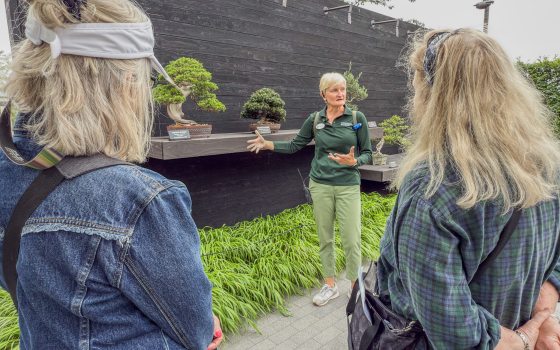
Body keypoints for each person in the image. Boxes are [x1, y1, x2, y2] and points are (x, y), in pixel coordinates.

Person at [0, 0, 222, 349]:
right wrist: (209, 322)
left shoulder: (5, 173)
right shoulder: (139, 200)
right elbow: (196, 329)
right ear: (123, 82)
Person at [375, 28, 560, 349]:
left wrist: (526, 337)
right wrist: (544, 312)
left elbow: (453, 329)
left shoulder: (433, 185)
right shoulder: (547, 167)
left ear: (434, 94)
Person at [247, 72, 373, 306]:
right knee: (325, 237)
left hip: (347, 186)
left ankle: (355, 286)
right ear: (323, 94)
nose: (340, 94)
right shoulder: (315, 119)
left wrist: (354, 162)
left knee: (351, 238)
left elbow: (368, 152)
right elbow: (296, 145)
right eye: (335, 90)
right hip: (321, 184)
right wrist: (268, 144)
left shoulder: (357, 117)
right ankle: (330, 285)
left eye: (343, 89)